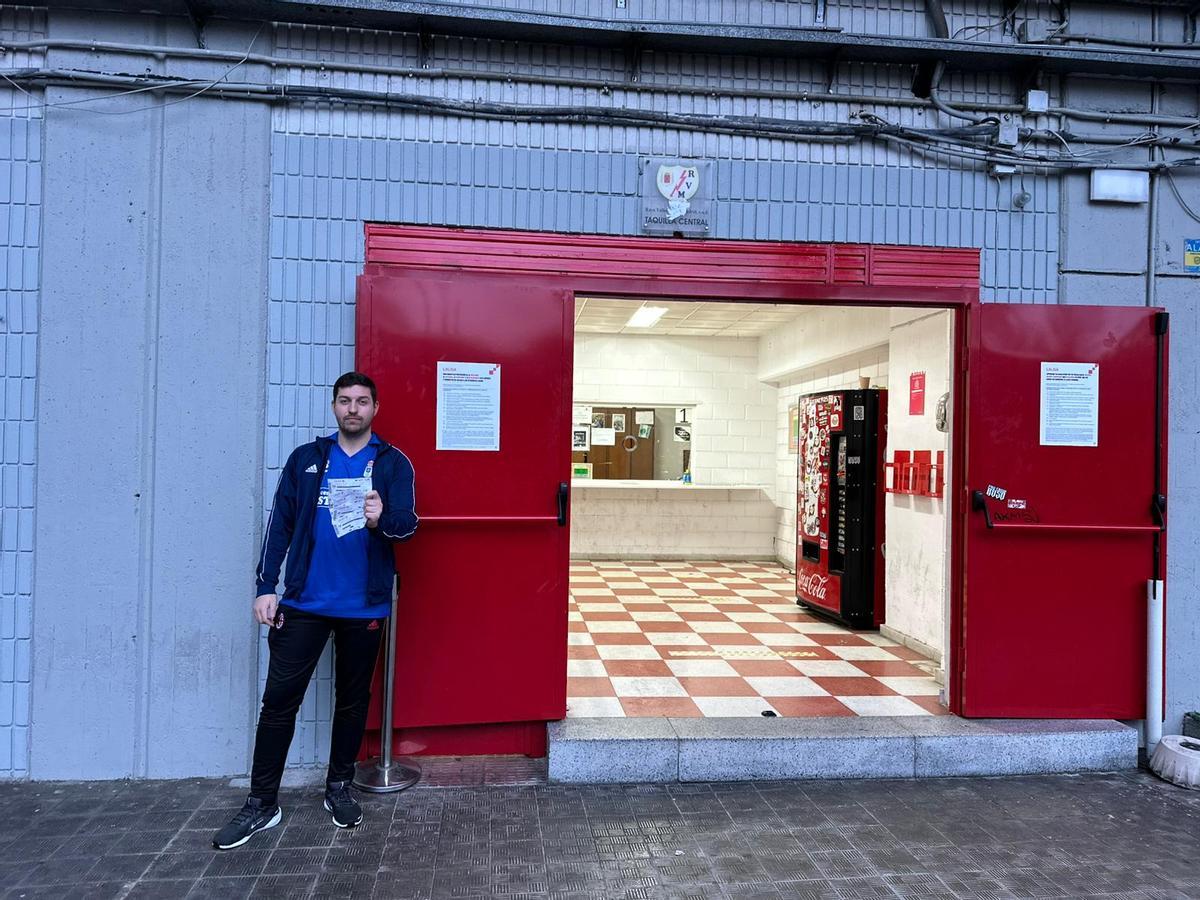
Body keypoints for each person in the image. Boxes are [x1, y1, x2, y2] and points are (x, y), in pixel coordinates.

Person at [213, 371, 418, 850]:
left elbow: (408, 526)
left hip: (362, 605)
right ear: (333, 407)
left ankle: (338, 788)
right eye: (345, 401)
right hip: (303, 602)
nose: (353, 409)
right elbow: (280, 525)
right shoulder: (307, 459)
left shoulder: (391, 463)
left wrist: (380, 519)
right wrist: (267, 587)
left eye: (362, 402)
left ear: (375, 409)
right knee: (279, 702)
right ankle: (261, 803)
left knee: (351, 702)